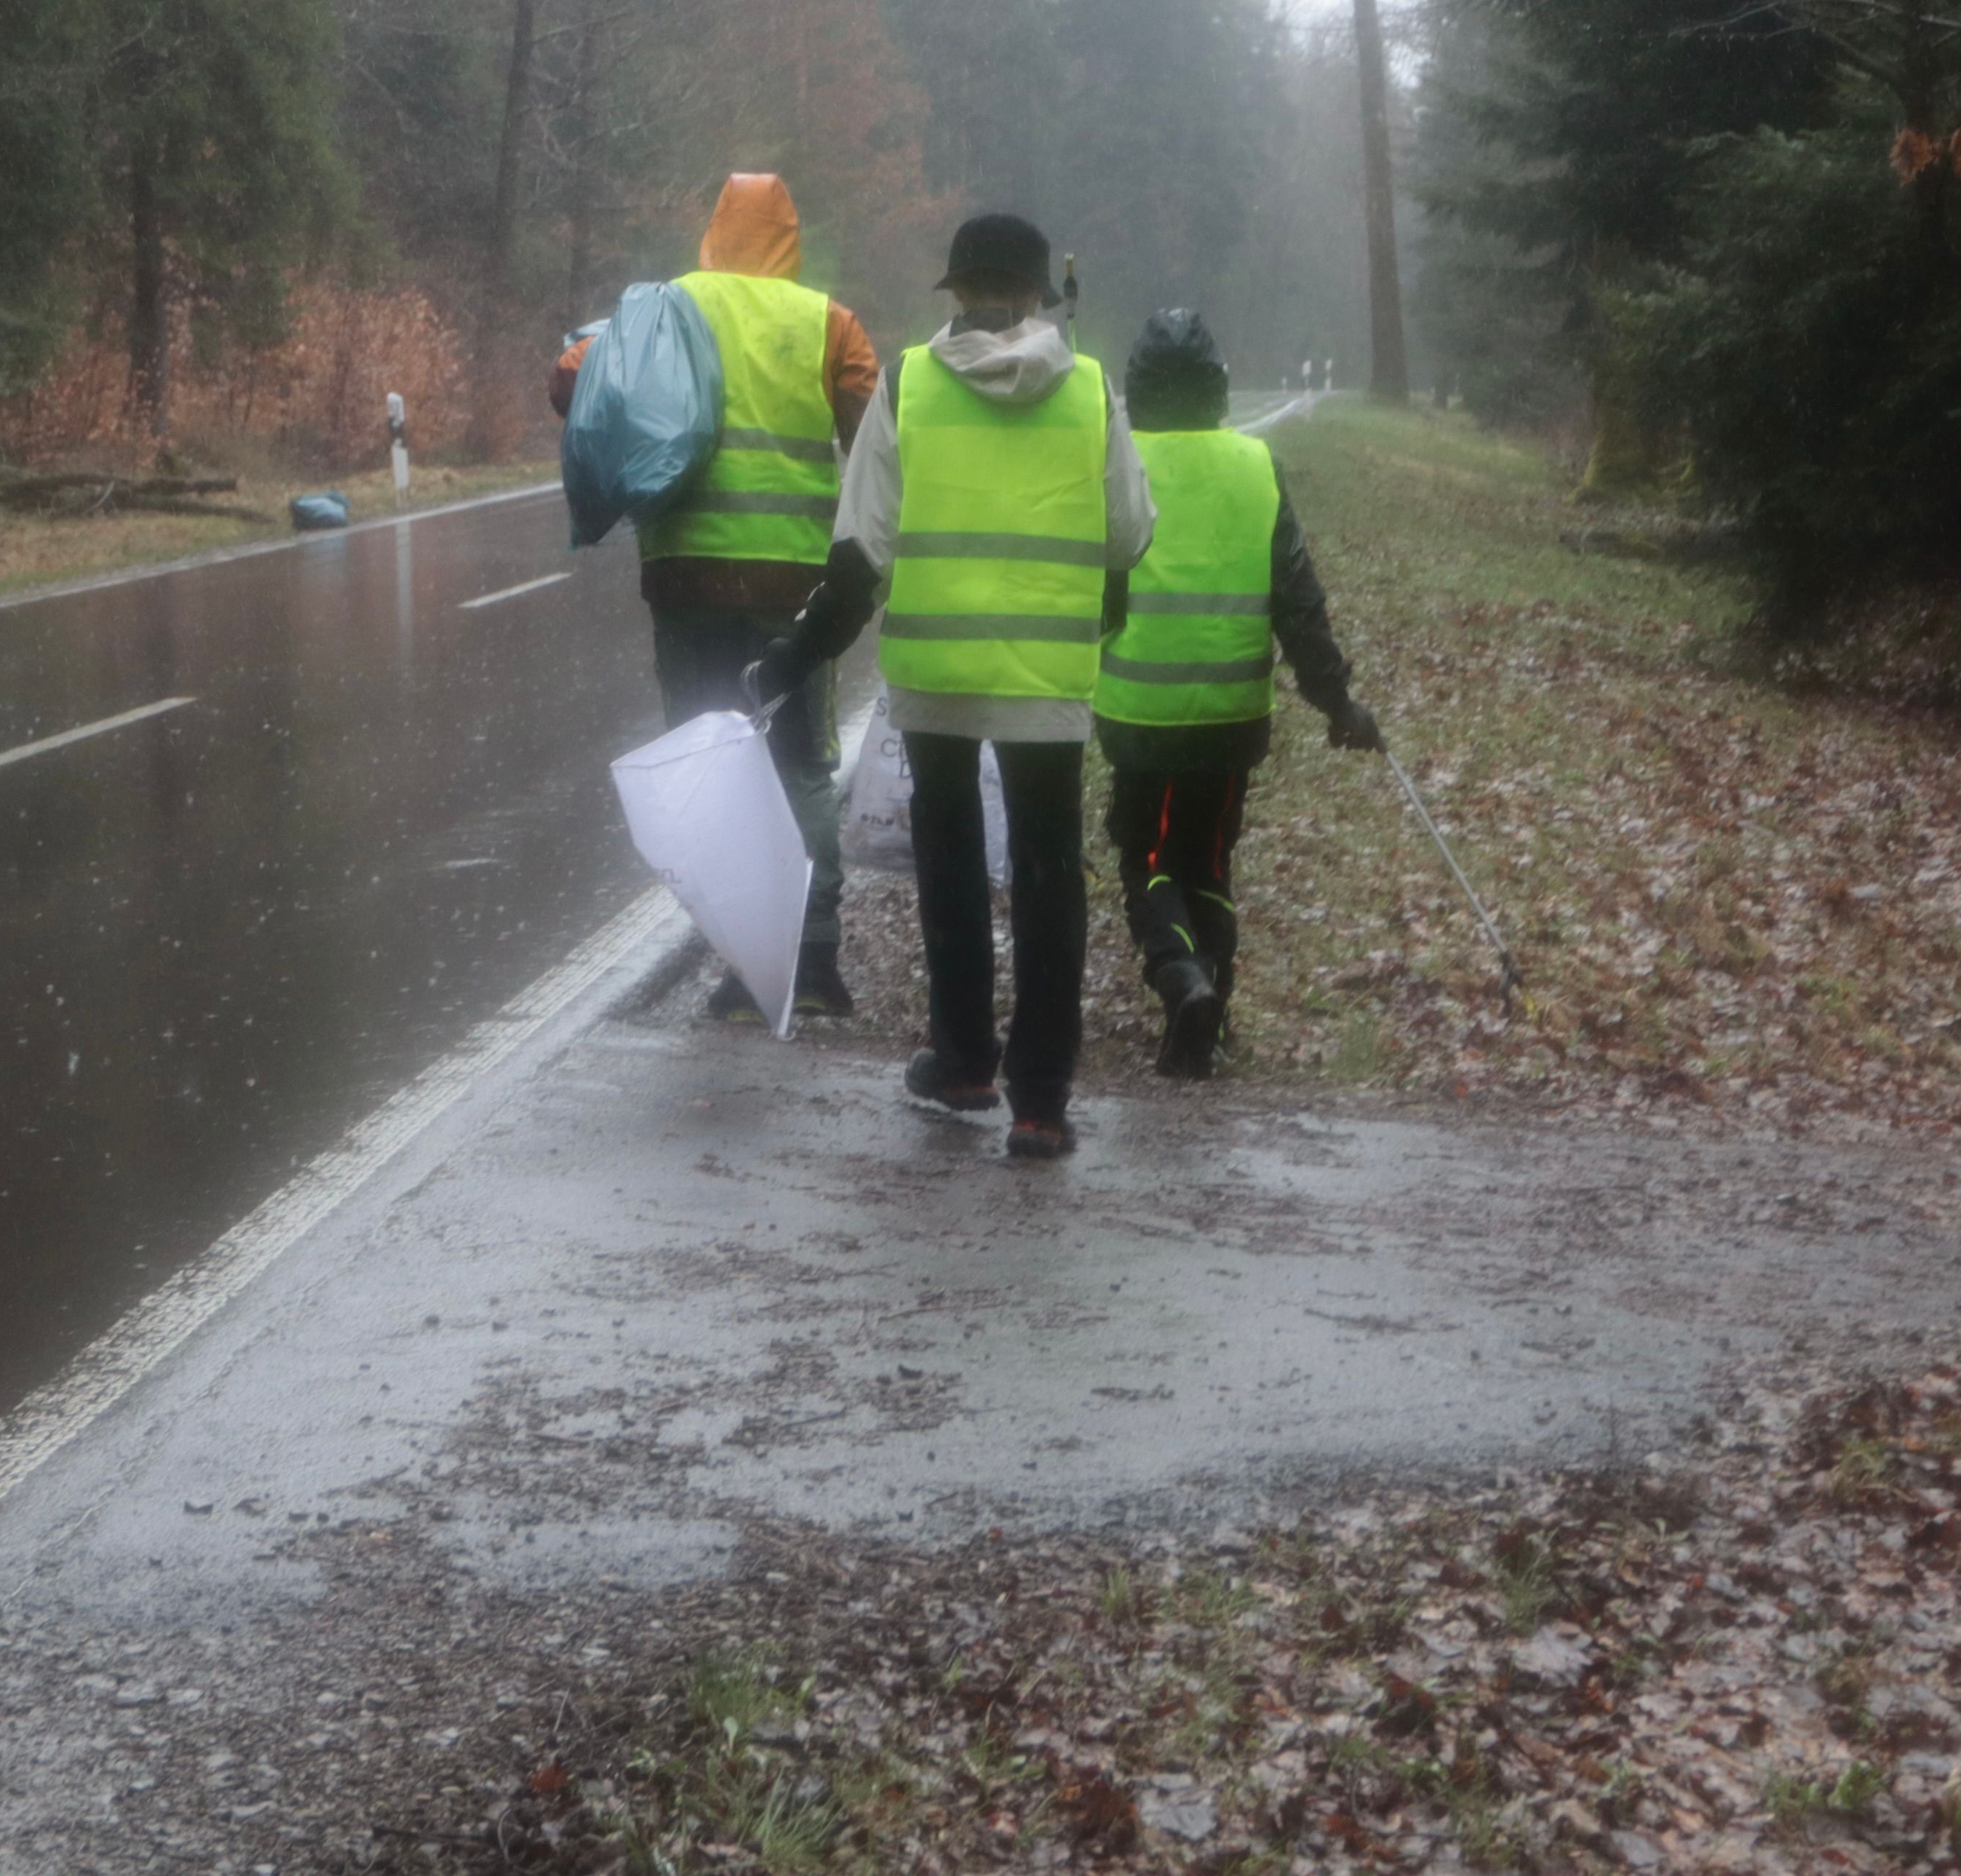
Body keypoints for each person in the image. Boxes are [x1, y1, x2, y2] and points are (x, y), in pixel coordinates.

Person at [748, 212, 1149, 1161]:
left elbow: (859, 552)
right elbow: (1130, 534)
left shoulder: (910, 384)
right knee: (1051, 874)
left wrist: (794, 657)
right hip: (1048, 674)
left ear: (957, 292)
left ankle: (964, 1059)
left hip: (934, 673)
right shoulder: (1091, 389)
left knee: (952, 863)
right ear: (1040, 295)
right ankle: (1041, 1102)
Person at [553, 173, 875, 1018]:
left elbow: (571, 383)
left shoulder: (667, 309)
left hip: (687, 579)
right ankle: (814, 960)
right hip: (794, 590)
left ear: (715, 231)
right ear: (790, 237)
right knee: (799, 760)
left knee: (716, 763)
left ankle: (743, 960)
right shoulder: (828, 322)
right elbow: (876, 434)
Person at [1094, 308, 1380, 1078]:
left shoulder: (1116, 462)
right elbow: (1298, 600)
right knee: (1210, 860)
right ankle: (1210, 1011)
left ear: (1137, 387)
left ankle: (1182, 979)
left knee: (1146, 857)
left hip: (1138, 714)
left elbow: (1093, 592)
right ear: (1219, 387)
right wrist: (1336, 702)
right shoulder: (1257, 466)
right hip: (1231, 718)